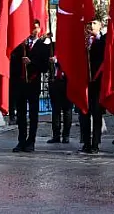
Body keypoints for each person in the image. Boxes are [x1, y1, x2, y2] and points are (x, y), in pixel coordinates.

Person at [10, 20, 50, 153]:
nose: (33, 30)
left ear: (39, 30)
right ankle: (21, 140)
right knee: (20, 113)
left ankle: (31, 141)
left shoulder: (43, 46)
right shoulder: (20, 45)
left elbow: (44, 67)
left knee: (33, 114)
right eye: (31, 27)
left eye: (36, 28)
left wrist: (31, 63)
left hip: (33, 84)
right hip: (20, 84)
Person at [80, 19, 106, 154]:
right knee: (84, 114)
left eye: (94, 23)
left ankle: (95, 143)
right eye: (89, 24)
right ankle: (86, 142)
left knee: (96, 114)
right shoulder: (83, 40)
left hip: (97, 82)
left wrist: (96, 38)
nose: (91, 26)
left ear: (100, 25)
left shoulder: (103, 40)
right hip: (84, 83)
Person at [46, 36, 72, 144]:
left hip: (66, 82)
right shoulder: (52, 50)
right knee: (55, 110)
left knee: (67, 110)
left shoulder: (69, 52)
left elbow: (67, 63)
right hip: (55, 83)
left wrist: (56, 60)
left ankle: (66, 135)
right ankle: (56, 134)